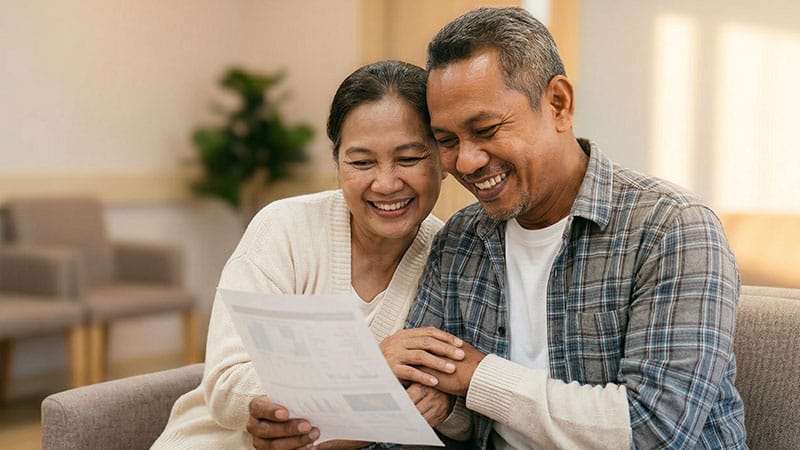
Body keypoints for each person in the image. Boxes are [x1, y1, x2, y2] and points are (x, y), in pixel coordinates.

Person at [385, 7, 746, 449]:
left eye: (485, 129)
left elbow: (653, 432)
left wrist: (479, 377)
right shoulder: (460, 239)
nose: (466, 161)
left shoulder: (672, 228)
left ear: (558, 104)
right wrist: (438, 406)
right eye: (447, 141)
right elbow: (428, 397)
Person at [152, 60, 469, 450]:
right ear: (337, 163)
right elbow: (226, 385)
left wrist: (446, 405)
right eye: (361, 162)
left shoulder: (454, 255)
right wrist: (369, 367)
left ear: (443, 162)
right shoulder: (283, 227)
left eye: (408, 159)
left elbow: (463, 409)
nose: (386, 183)